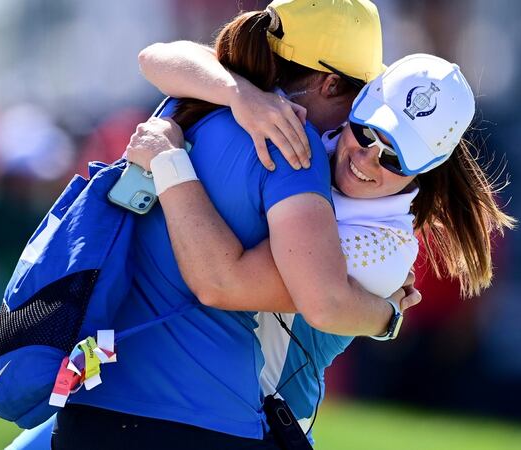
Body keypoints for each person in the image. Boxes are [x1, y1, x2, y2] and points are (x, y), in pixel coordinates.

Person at [49, 1, 398, 449]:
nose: (356, 121)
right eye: (358, 95)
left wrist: (238, 93)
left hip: (93, 403)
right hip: (204, 417)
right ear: (331, 83)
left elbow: (153, 56)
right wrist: (386, 313)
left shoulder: (190, 99)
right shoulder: (295, 147)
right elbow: (311, 298)